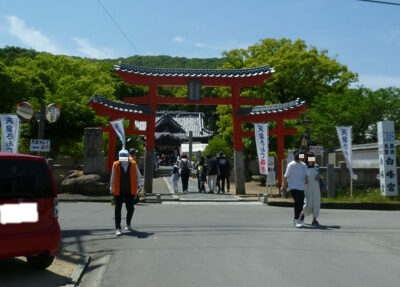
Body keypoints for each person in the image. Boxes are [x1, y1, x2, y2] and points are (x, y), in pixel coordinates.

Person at [110, 150, 142, 236]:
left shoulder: (133, 164)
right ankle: (118, 228)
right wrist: (111, 189)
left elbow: (138, 175)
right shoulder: (115, 165)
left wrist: (139, 184)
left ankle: (128, 223)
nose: (123, 160)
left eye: (125, 158)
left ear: (128, 157)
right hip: (118, 191)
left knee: (130, 208)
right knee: (117, 209)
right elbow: (112, 178)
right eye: (122, 158)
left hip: (130, 190)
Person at [281, 149, 308, 228]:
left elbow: (306, 174)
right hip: (293, 187)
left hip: (302, 187)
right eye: (301, 155)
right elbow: (286, 176)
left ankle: (298, 218)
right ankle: (296, 220)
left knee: (301, 204)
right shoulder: (291, 165)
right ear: (297, 156)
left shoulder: (303, 165)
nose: (302, 156)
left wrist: (307, 179)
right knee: (297, 203)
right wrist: (283, 185)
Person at [299, 152, 322, 227]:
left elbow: (318, 174)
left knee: (316, 203)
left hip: (316, 187)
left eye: (312, 158)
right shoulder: (304, 167)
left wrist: (319, 177)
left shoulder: (316, 166)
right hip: (307, 187)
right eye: (310, 158)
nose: (311, 160)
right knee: (308, 203)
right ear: (307, 158)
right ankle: (302, 215)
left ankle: (314, 220)